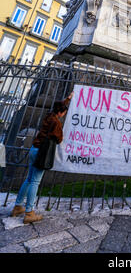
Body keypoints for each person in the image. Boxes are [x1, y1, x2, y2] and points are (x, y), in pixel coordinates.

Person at [11, 92, 74, 223]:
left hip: (34, 149)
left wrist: (68, 98)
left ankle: (17, 206)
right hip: (42, 153)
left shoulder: (48, 116)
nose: (64, 115)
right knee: (35, 182)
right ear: (61, 113)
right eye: (64, 113)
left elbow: (58, 106)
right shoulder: (56, 123)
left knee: (29, 179)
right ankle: (29, 213)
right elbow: (59, 139)